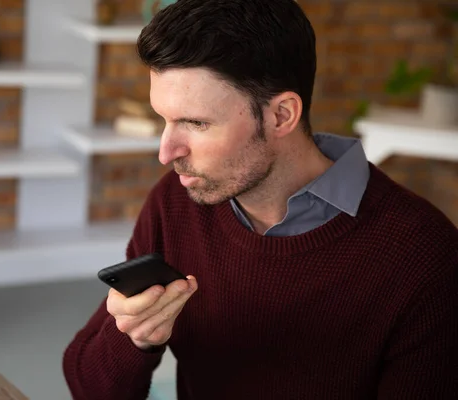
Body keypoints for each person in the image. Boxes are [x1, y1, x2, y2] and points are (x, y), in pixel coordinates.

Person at [63, 0, 458, 398]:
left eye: (196, 123)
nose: (166, 153)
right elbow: (88, 386)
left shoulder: (425, 257)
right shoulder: (176, 202)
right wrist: (135, 339)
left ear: (281, 116)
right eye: (165, 119)